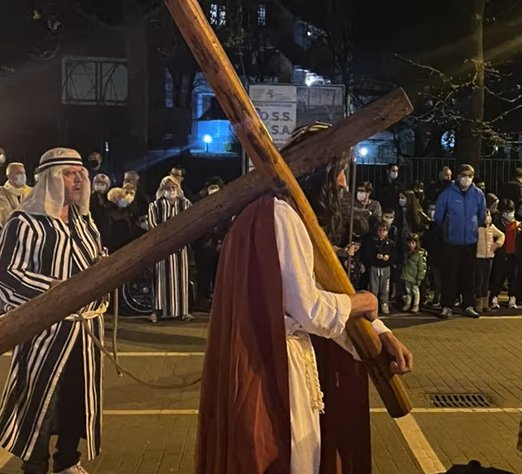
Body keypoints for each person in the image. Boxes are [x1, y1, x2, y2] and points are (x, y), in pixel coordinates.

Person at [196, 123, 413, 474]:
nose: (343, 184)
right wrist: (365, 303)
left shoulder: (277, 213)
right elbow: (310, 308)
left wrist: (380, 331)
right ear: (319, 171)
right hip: (274, 369)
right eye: (340, 172)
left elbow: (323, 291)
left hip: (277, 360)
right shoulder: (280, 215)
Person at [0, 148, 106, 474]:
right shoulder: (24, 222)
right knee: (40, 397)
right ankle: (34, 464)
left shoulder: (84, 221)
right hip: (44, 333)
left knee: (78, 395)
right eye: (70, 173)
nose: (79, 179)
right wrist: (53, 290)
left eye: (80, 173)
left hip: (85, 331)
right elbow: (7, 273)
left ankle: (68, 461)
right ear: (50, 179)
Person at [434, 163, 487, 319]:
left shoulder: (478, 194)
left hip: (470, 242)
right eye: (464, 175)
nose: (467, 179)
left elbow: (482, 215)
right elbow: (438, 216)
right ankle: (447, 306)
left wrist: (472, 228)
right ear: (458, 176)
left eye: (470, 176)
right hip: (451, 242)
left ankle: (469, 305)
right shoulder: (447, 194)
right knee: (449, 276)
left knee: (468, 276)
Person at [147, 176, 193, 323]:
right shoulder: (155, 205)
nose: (171, 191)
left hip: (181, 248)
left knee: (181, 278)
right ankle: (157, 311)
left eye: (174, 188)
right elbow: (153, 225)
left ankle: (183, 311)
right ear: (162, 190)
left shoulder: (185, 204)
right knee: (160, 279)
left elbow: (192, 222)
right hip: (161, 249)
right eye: (168, 188)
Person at [192, 179, 229, 310]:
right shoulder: (201, 204)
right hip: (203, 247)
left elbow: (226, 223)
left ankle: (217, 301)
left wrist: (220, 240)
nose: (213, 190)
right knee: (204, 275)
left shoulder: (225, 203)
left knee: (218, 275)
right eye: (211, 187)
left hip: (219, 245)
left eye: (216, 187)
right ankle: (203, 301)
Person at [489, 199, 519, 310]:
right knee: (498, 277)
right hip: (500, 255)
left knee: (513, 278)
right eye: (506, 212)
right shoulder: (496, 224)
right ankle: (494, 297)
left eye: (511, 211)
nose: (509, 214)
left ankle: (512, 297)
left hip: (513, 255)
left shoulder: (518, 225)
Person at [475, 209, 504, 313]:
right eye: (486, 215)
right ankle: (478, 302)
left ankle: (485, 303)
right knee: (479, 280)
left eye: (489, 215)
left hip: (489, 257)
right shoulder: (477, 228)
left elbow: (501, 235)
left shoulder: (491, 228)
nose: (488, 217)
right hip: (478, 257)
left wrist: (497, 244)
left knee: (486, 280)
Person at [363, 223, 396, 315]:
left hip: (386, 267)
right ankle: (373, 304)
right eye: (380, 230)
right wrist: (375, 256)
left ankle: (384, 303)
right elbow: (368, 254)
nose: (382, 233)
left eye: (384, 230)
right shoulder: (372, 242)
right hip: (375, 267)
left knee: (385, 287)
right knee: (374, 287)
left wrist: (388, 256)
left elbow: (394, 255)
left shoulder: (391, 243)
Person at [101, 187, 136, 253]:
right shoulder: (108, 214)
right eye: (121, 197)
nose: (124, 199)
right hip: (115, 248)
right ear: (115, 199)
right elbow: (107, 234)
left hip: (129, 245)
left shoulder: (127, 210)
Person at [401, 234, 427, 313]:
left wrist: (419, 278)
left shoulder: (418, 255)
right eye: (409, 243)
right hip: (407, 276)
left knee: (415, 292)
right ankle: (408, 304)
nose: (411, 245)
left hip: (414, 277)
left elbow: (421, 267)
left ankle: (416, 305)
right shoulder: (406, 253)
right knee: (408, 291)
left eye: (413, 243)